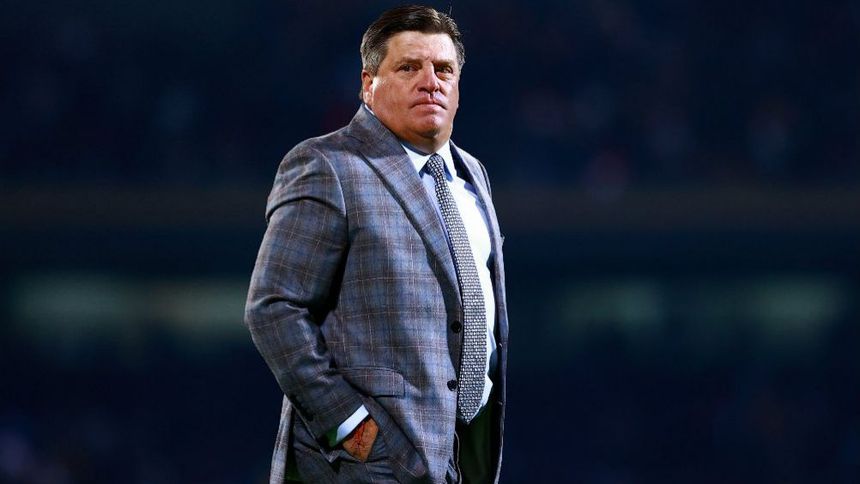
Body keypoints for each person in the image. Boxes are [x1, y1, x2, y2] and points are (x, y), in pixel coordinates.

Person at [245, 5, 508, 483]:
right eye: (408, 67)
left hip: (464, 456)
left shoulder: (473, 175)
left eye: (443, 69)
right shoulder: (328, 164)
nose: (430, 82)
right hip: (361, 467)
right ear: (369, 85)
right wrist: (352, 432)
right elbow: (274, 308)